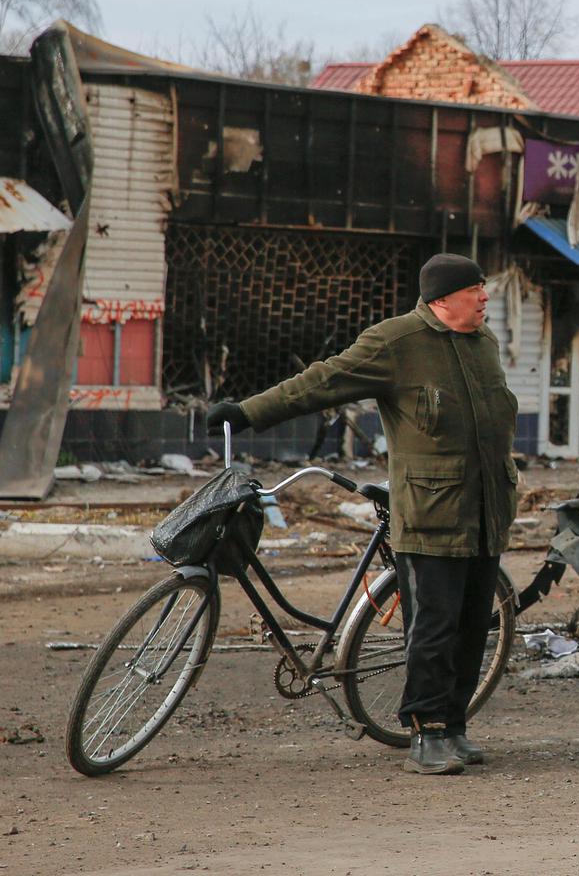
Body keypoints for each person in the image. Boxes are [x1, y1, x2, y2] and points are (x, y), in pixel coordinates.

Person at [207, 253, 519, 775]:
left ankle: (455, 723)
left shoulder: (483, 345)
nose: (485, 296)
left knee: (472, 626)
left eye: (484, 288)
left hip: (486, 511)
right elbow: (320, 382)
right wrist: (247, 413)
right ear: (443, 300)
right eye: (475, 290)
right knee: (434, 627)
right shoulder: (396, 343)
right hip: (432, 513)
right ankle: (427, 732)